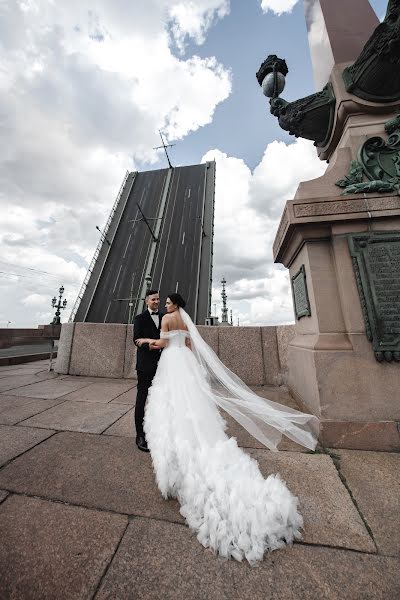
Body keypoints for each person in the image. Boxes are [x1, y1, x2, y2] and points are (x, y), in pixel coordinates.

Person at [136, 293, 320, 565]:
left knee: (171, 407)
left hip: (169, 364)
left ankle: (174, 455)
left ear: (174, 305)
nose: (164, 305)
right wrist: (192, 369)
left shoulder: (166, 319)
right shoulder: (184, 321)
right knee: (192, 407)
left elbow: (163, 343)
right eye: (161, 303)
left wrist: (147, 341)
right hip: (183, 364)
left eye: (167, 303)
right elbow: (187, 344)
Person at [133, 289, 163, 452]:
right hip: (145, 365)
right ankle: (140, 435)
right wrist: (147, 345)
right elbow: (135, 339)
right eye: (153, 299)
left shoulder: (165, 317)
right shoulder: (140, 318)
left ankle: (158, 431)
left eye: (158, 299)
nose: (157, 302)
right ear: (146, 301)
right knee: (142, 398)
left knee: (161, 399)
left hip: (164, 365)